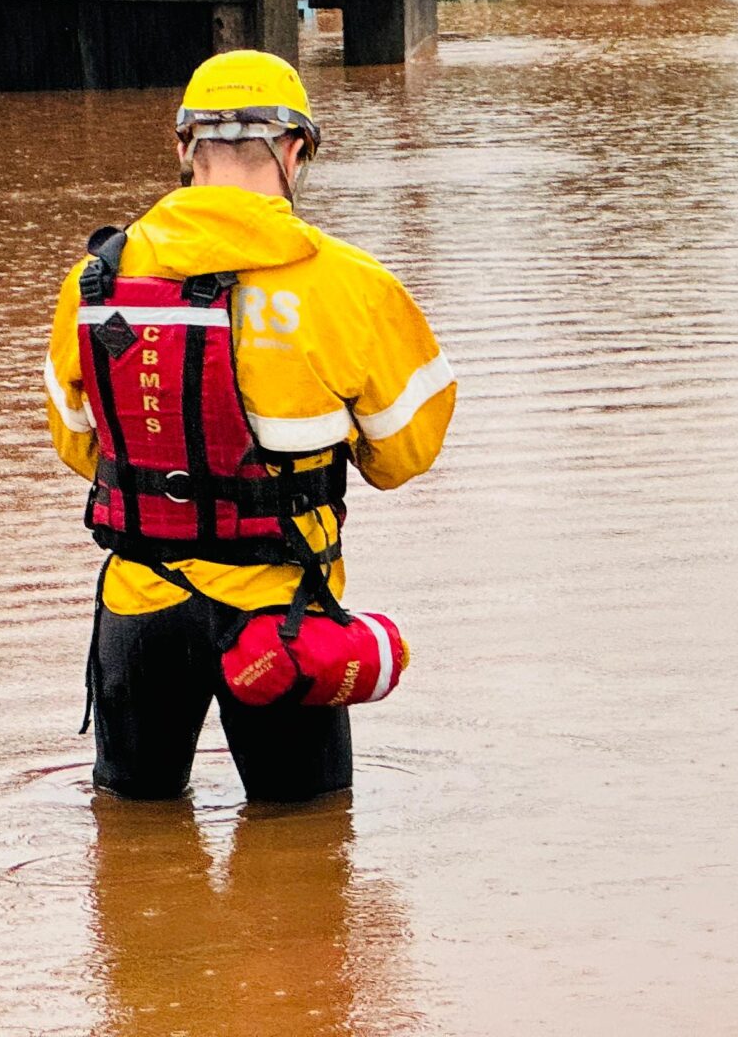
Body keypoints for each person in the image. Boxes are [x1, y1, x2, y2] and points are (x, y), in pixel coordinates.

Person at [43, 50, 456, 804]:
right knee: (309, 844)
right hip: (284, 623)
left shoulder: (95, 281)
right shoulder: (351, 286)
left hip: (140, 609)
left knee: (132, 835)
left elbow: (78, 446)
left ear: (183, 150)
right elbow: (403, 457)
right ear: (297, 151)